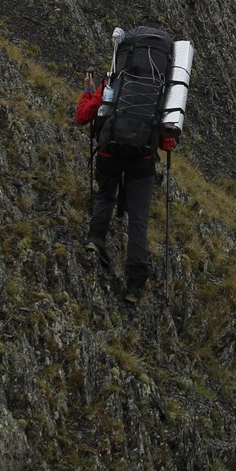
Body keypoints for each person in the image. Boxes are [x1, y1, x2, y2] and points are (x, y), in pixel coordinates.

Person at [74, 46, 179, 301]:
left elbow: (82, 116)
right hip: (141, 161)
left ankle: (96, 238)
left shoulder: (112, 82)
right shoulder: (160, 90)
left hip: (108, 154)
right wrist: (163, 144)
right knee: (138, 220)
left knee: (104, 196)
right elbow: (168, 139)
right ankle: (135, 282)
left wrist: (88, 90)